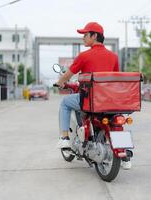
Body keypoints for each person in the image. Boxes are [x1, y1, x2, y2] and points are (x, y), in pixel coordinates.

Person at [55, 22, 131, 169]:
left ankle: (64, 138)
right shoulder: (113, 57)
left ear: (94, 36)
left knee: (65, 103)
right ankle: (125, 157)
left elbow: (68, 75)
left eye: (85, 35)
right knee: (116, 119)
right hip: (109, 101)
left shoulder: (84, 56)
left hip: (90, 100)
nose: (83, 38)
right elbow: (114, 79)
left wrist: (60, 82)